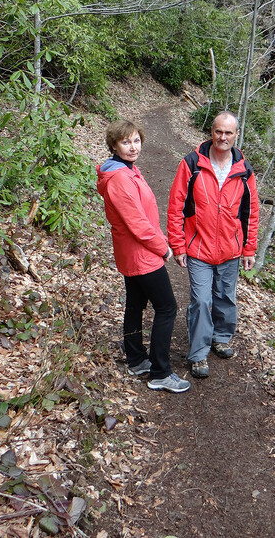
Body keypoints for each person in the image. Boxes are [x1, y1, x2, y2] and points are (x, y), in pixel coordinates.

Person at [97, 120, 190, 394]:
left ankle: (137, 359)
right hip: (141, 253)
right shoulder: (120, 178)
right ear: (113, 145)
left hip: (133, 252)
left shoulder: (127, 170)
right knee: (167, 307)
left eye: (136, 141)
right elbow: (136, 222)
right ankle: (161, 372)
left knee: (135, 304)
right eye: (126, 142)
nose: (133, 147)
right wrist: (162, 246)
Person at [167, 111, 259, 378]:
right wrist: (178, 245)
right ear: (211, 132)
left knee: (226, 298)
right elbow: (176, 206)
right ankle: (198, 353)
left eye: (228, 133)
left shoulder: (244, 170)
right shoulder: (192, 163)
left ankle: (221, 337)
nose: (223, 137)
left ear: (236, 135)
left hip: (231, 249)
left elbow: (251, 212)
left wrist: (249, 248)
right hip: (199, 248)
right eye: (219, 131)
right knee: (201, 300)